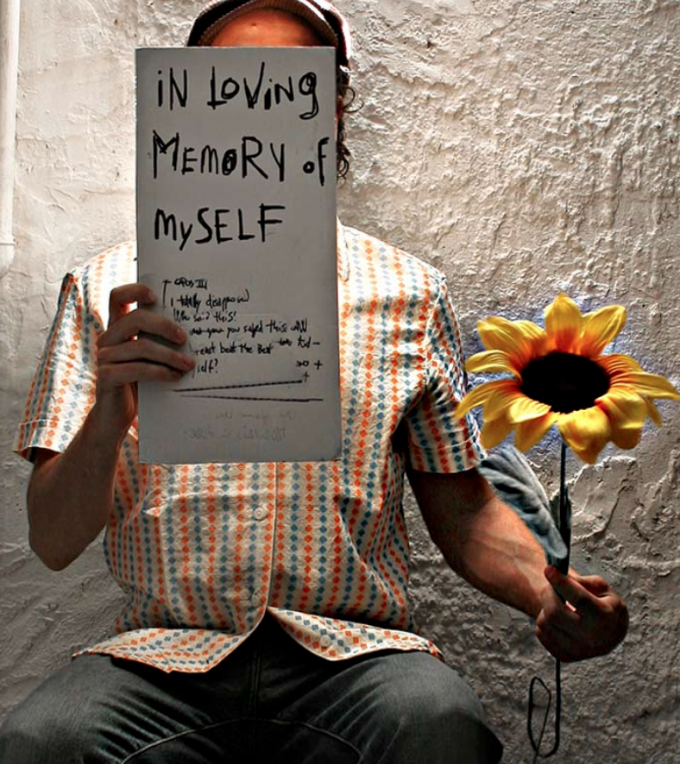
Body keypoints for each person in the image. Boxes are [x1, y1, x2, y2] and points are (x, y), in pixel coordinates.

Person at [0, 2, 629, 762]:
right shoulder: (108, 291)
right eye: (226, 83)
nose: (256, 102)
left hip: (355, 660)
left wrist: (547, 593)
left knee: (438, 725)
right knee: (41, 742)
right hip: (161, 660)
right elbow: (52, 538)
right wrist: (109, 413)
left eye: (292, 83)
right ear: (185, 104)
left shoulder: (408, 293)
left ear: (333, 107)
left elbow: (464, 511)